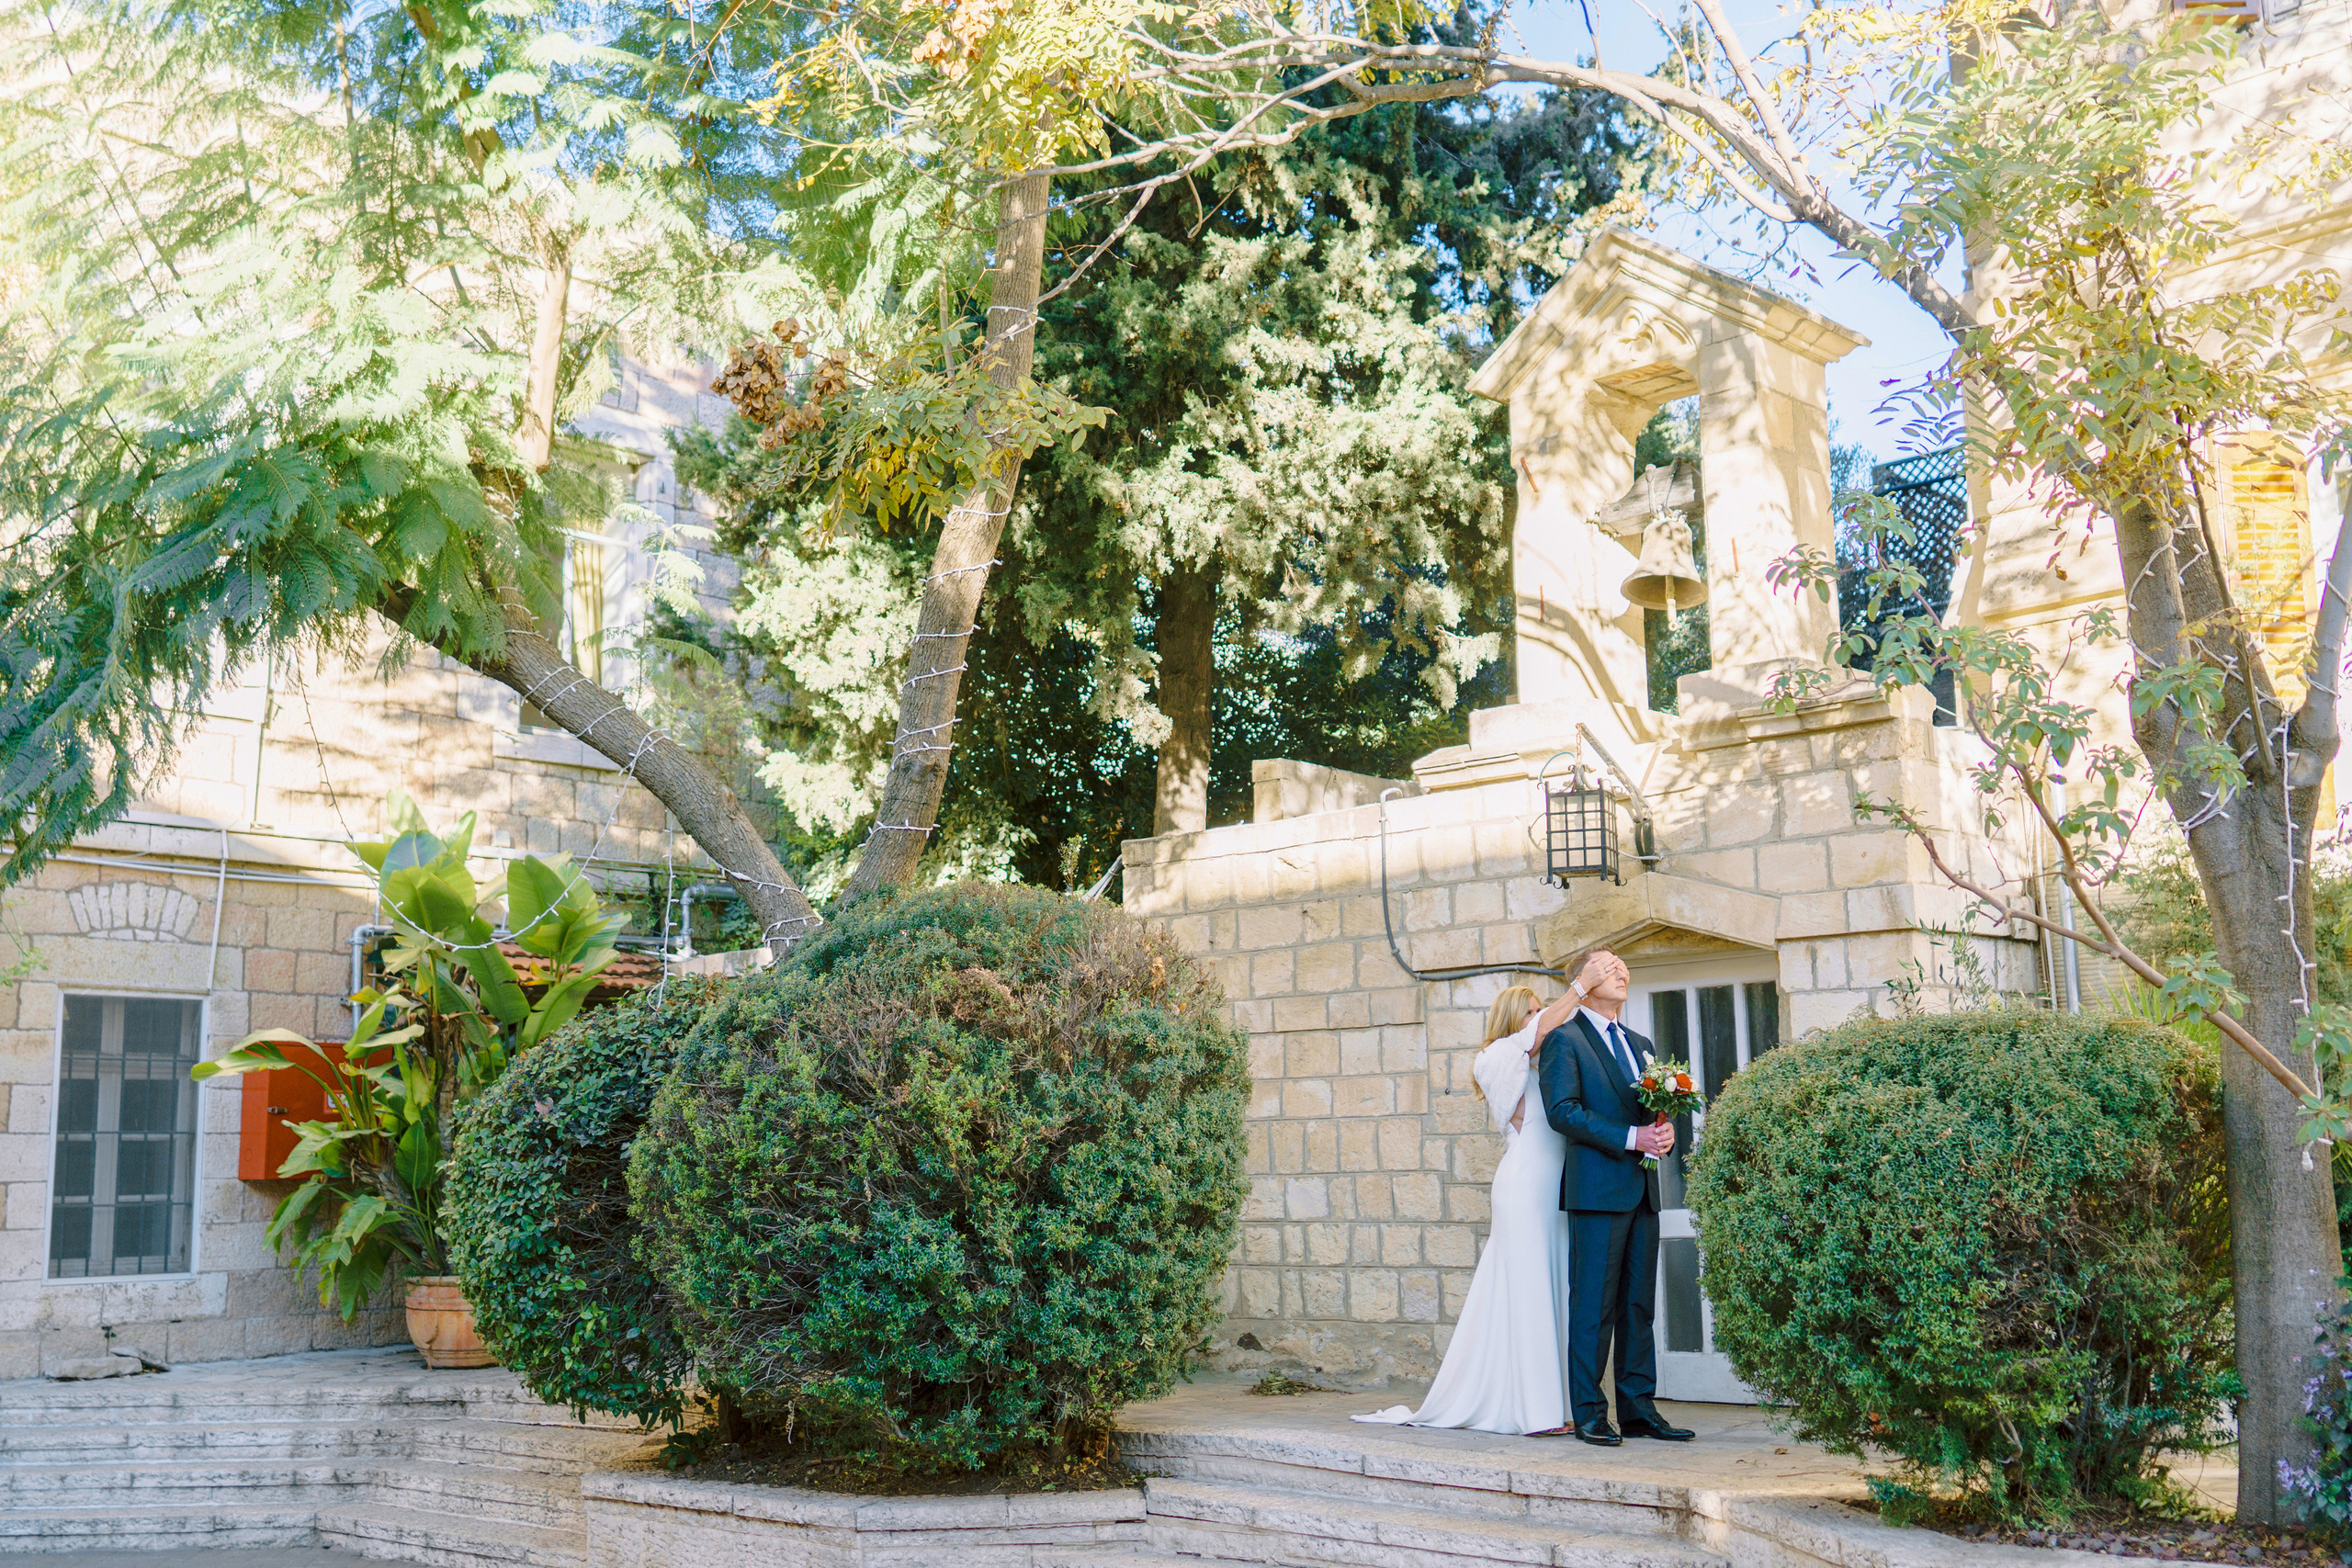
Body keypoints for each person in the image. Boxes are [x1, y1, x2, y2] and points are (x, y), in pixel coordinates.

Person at [1353, 957, 1606, 1436]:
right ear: (1515, 1020)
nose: (1541, 1017)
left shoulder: (1542, 1063)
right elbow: (1546, 1028)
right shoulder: (1495, 1058)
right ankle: (1535, 1413)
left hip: (1556, 1190)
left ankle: (1560, 1404)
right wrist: (1578, 987)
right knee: (1530, 1288)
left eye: (1539, 1010)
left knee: (1553, 1290)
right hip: (1525, 1186)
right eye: (1532, 1011)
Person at [1538, 948, 1696, 1447]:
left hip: (1643, 1190)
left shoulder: (1641, 1042)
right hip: (1597, 1193)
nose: (1621, 971)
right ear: (1582, 977)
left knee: (1636, 1306)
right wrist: (1632, 1139)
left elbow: (1651, 1112)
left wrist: (1663, 1132)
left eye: (1624, 965)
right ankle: (1589, 1412)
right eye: (1608, 966)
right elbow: (1562, 1111)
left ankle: (1638, 1410)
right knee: (1593, 1308)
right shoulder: (1564, 1040)